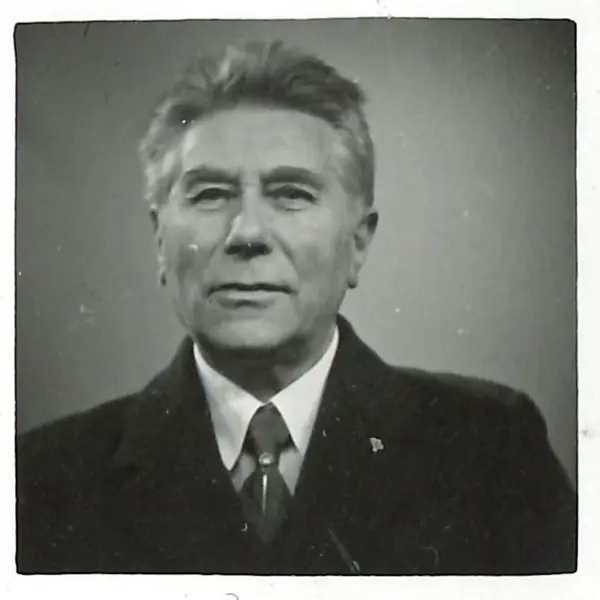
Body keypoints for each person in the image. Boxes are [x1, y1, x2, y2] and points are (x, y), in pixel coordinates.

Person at [16, 40, 576, 575]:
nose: (247, 233)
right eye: (210, 194)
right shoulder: (41, 480)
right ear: (161, 241)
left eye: (291, 194)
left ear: (358, 244)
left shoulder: (492, 453)